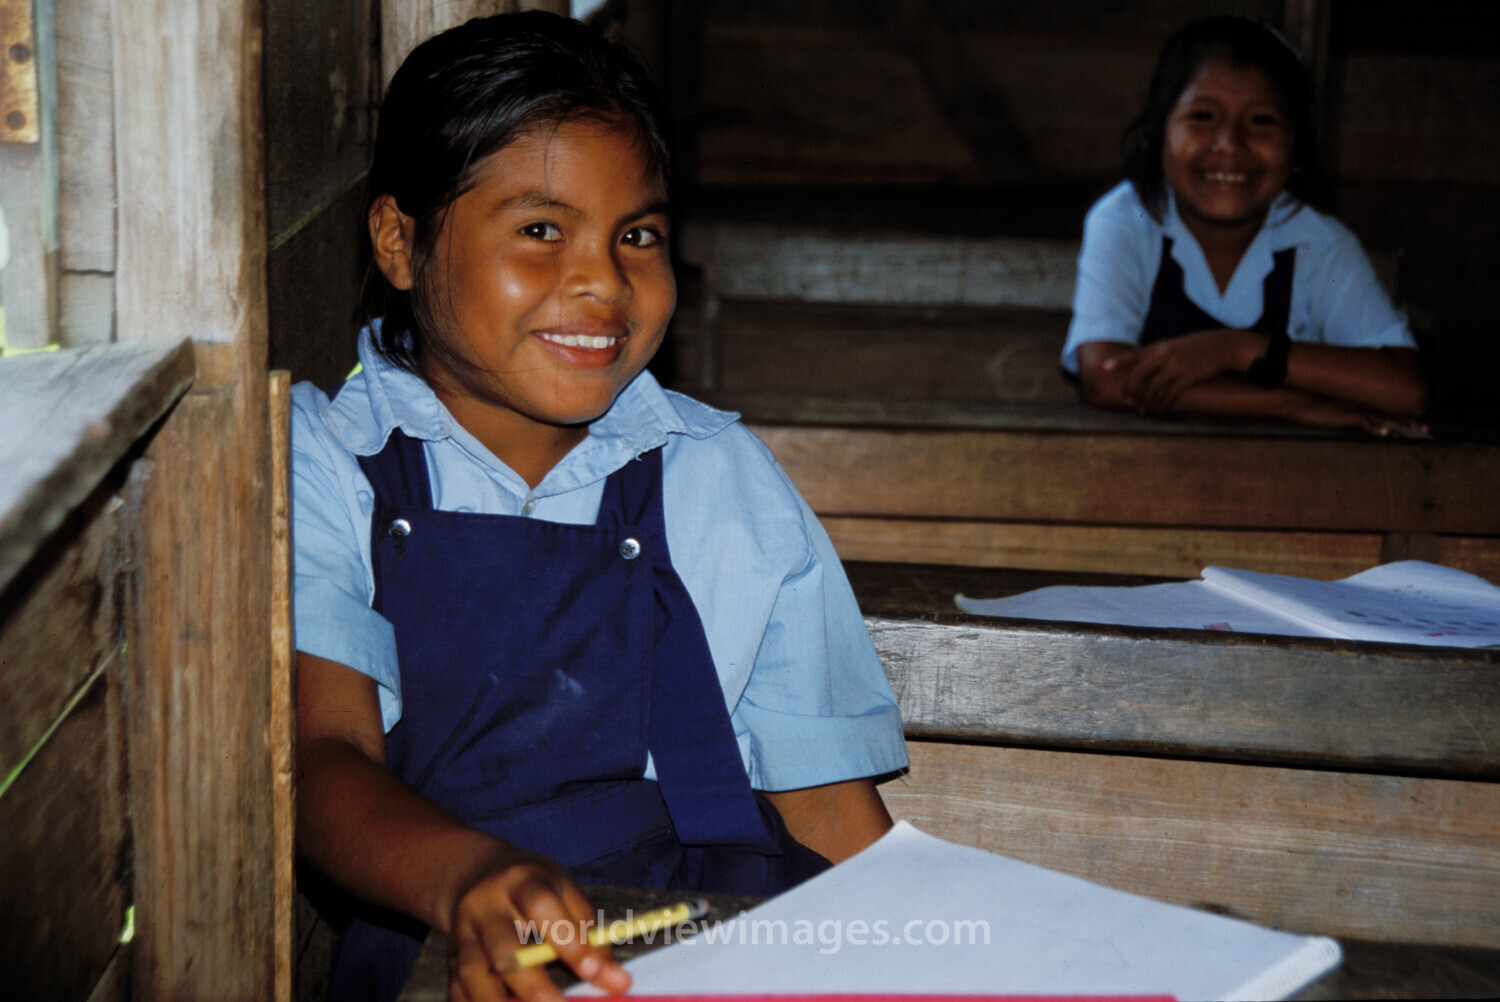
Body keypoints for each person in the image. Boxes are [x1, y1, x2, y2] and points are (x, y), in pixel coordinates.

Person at [290, 13, 908, 1002]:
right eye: (541, 229)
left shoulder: (720, 477)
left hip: (710, 955)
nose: (603, 281)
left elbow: (829, 808)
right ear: (400, 242)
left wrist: (928, 959)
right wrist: (469, 877)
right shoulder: (330, 464)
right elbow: (322, 759)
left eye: (638, 234)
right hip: (450, 965)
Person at [1060, 16, 1427, 434]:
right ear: (1154, 134)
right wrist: (1290, 406)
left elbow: (1405, 390)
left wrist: (1232, 349)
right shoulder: (1131, 217)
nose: (1229, 143)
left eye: (1261, 121)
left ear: (1298, 150)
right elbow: (1105, 379)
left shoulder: (1318, 244)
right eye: (1202, 116)